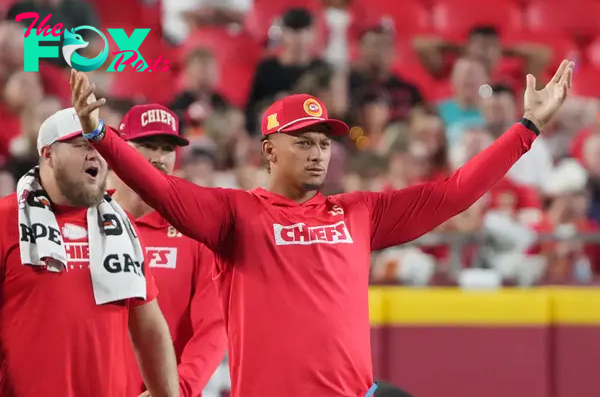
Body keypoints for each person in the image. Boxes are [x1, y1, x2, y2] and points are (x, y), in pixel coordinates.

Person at [71, 60, 573, 397]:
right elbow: (161, 189)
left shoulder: (359, 211)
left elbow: (454, 193)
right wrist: (102, 137)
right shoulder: (235, 216)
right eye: (302, 142)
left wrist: (524, 130)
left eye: (323, 144)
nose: (317, 154)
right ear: (269, 150)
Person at [0, 108, 179, 396]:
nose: (95, 154)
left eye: (99, 146)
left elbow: (149, 327)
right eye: (83, 145)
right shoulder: (6, 220)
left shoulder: (121, 227)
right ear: (48, 153)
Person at [108, 104, 227, 396]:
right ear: (118, 150)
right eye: (147, 145)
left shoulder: (196, 231)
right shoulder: (86, 220)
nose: (159, 158)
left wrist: (176, 389)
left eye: (167, 149)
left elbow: (213, 327)